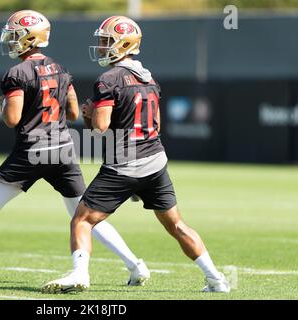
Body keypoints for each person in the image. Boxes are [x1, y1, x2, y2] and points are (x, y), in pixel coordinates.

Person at [0, 10, 150, 285]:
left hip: (31, 149)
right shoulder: (61, 69)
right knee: (85, 216)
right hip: (62, 148)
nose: (11, 40)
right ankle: (135, 265)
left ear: (29, 38)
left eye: (15, 35)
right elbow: (73, 112)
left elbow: (11, 118)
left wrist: (4, 104)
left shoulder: (16, 72)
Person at [43, 16, 230, 293]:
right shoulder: (149, 77)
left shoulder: (108, 79)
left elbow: (101, 127)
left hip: (125, 163)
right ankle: (216, 279)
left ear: (124, 44)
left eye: (107, 42)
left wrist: (88, 115)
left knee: (82, 220)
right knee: (177, 225)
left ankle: (80, 273)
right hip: (155, 161)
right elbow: (156, 125)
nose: (102, 47)